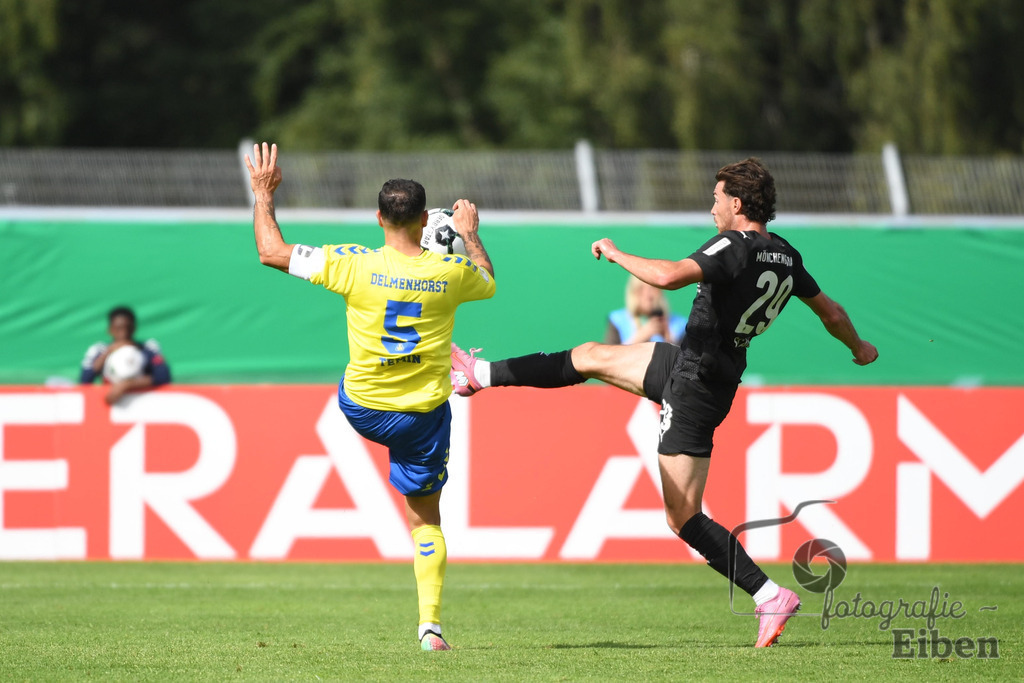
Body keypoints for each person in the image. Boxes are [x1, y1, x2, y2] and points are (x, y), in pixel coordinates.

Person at [450, 158, 878, 648]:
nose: (712, 206)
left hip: (695, 386)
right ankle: (478, 375)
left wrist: (614, 252)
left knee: (683, 518)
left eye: (717, 198)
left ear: (737, 205)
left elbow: (671, 276)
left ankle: (768, 594)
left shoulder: (733, 245)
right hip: (690, 365)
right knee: (590, 356)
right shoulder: (785, 254)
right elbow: (833, 311)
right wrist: (858, 347)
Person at [245, 142, 495, 652]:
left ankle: (441, 358)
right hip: (422, 415)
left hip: (361, 406)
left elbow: (270, 251)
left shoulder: (352, 263)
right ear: (427, 220)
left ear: (377, 218)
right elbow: (488, 279)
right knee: (426, 519)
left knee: (364, 365)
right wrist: (469, 235)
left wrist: (263, 194)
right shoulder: (451, 274)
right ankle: (431, 629)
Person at [79, 306, 172, 405]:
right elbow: (85, 381)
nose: (124, 333)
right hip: (110, 406)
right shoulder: (98, 350)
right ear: (110, 330)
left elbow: (164, 377)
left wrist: (127, 384)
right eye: (118, 328)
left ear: (134, 328)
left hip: (142, 403)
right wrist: (109, 352)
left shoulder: (147, 347)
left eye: (127, 328)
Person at [606, 275, 687, 345]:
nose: (648, 295)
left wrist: (668, 339)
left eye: (653, 288)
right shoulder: (618, 320)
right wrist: (641, 337)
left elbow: (686, 358)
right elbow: (608, 356)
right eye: (641, 289)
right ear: (633, 292)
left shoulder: (679, 324)